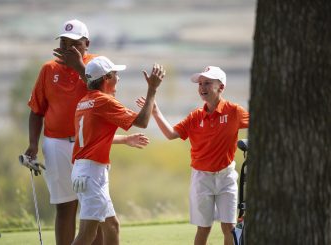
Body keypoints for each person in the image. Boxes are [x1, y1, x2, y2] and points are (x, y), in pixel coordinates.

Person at [24, 19, 149, 245]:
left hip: (88, 148)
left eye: (73, 43)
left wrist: (78, 67)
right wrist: (33, 144)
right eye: (63, 42)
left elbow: (102, 97)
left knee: (95, 214)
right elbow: (36, 111)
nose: (66, 48)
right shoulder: (48, 69)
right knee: (65, 207)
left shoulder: (97, 66)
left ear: (86, 44)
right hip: (56, 143)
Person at [137, 66, 249, 245]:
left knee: (229, 227)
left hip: (226, 176)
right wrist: (156, 113)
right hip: (202, 177)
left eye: (207, 83)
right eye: (200, 84)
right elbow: (171, 134)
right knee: (203, 228)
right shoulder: (195, 117)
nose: (202, 87)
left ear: (221, 87)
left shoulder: (234, 111)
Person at [70, 56, 165, 245]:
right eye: (115, 74)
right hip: (91, 174)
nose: (118, 78)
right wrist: (152, 90)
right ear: (106, 78)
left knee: (112, 226)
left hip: (86, 171)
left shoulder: (84, 102)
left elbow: (92, 140)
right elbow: (142, 122)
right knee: (87, 234)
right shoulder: (104, 101)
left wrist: (125, 139)